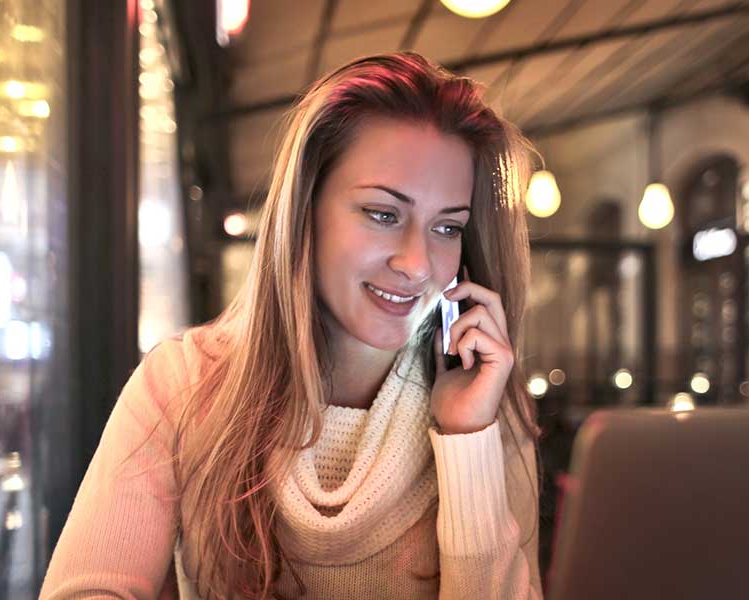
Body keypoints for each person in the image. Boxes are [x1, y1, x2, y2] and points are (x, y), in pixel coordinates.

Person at [40, 52, 541, 600]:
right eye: (382, 214)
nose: (419, 263)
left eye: (447, 227)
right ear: (305, 210)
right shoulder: (183, 383)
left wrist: (467, 438)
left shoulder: (488, 409)